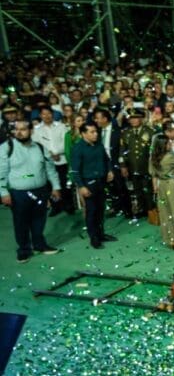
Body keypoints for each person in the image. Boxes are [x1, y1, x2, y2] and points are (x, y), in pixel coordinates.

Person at [0, 120, 63, 262]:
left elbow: (50, 169)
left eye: (23, 129)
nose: (19, 132)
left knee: (39, 220)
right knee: (21, 222)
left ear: (31, 131)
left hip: (40, 191)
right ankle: (24, 249)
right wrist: (3, 193)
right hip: (19, 193)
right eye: (16, 129)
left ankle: (39, 245)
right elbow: (1, 173)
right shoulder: (6, 148)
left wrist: (56, 186)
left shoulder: (40, 147)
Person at [70, 122, 116, 249]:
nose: (96, 134)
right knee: (91, 211)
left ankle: (101, 234)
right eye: (92, 132)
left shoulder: (99, 145)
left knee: (101, 209)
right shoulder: (78, 148)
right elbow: (75, 170)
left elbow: (107, 160)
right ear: (83, 134)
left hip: (101, 182)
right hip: (88, 184)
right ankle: (94, 237)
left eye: (96, 131)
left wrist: (110, 170)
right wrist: (81, 186)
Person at [148, 128, 174, 249]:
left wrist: (155, 186)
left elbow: (153, 174)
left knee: (166, 212)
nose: (170, 144)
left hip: (161, 185)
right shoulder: (169, 157)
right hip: (172, 185)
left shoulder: (153, 158)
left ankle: (170, 239)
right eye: (168, 143)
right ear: (164, 145)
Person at [33, 105, 73, 215]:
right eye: (44, 114)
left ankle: (68, 205)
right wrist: (50, 154)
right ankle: (56, 206)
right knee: (50, 186)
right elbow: (37, 145)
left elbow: (66, 142)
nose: (47, 116)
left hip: (62, 160)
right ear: (40, 115)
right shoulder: (36, 130)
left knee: (65, 183)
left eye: (49, 113)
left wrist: (57, 152)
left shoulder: (61, 126)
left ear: (52, 114)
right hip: (47, 162)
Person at [119, 109, 154, 218]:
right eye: (131, 118)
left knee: (148, 189)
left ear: (141, 119)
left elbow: (153, 151)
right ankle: (141, 209)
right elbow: (122, 150)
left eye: (136, 118)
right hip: (132, 166)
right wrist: (123, 165)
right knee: (136, 189)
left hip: (146, 166)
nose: (133, 120)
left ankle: (151, 210)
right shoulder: (126, 133)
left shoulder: (150, 132)